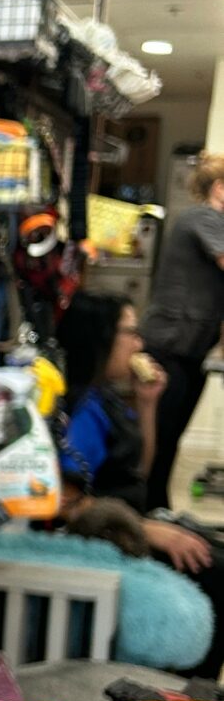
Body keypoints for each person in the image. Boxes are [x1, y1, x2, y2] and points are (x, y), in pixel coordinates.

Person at [56, 290, 223, 676]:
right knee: (215, 574)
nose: (139, 343)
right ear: (100, 339)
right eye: (129, 333)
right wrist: (148, 531)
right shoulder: (78, 411)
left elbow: (137, 473)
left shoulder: (107, 398)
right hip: (109, 536)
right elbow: (65, 501)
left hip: (133, 522)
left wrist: (147, 404)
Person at [141, 153, 224, 510]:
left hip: (190, 349)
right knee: (160, 438)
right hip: (169, 344)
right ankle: (144, 510)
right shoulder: (202, 217)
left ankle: (157, 509)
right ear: (220, 189)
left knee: (169, 438)